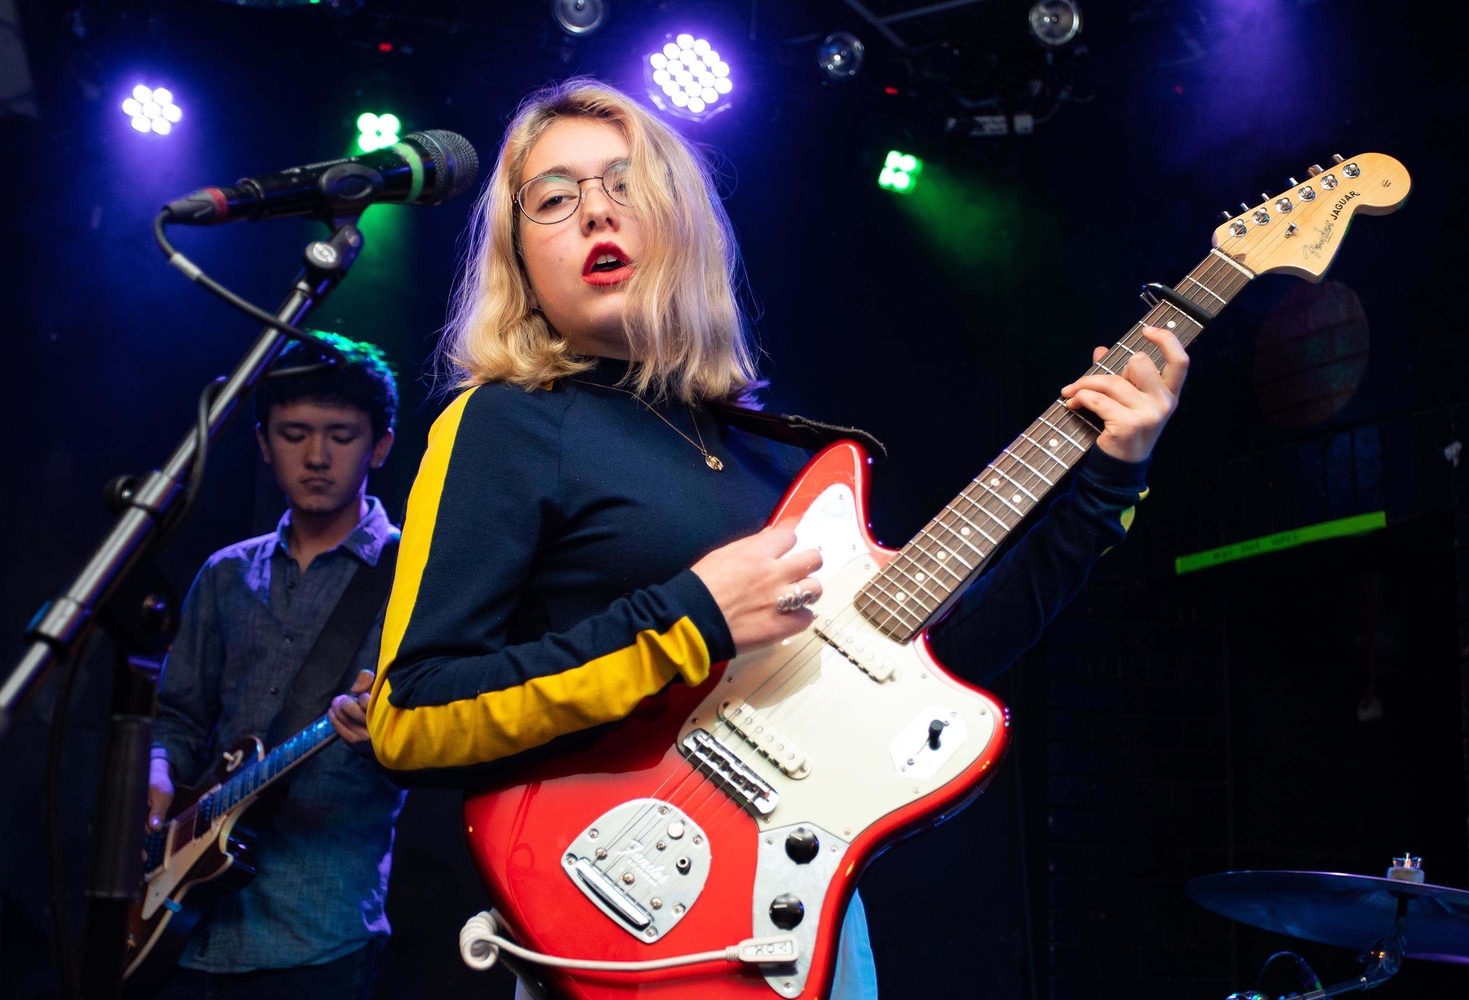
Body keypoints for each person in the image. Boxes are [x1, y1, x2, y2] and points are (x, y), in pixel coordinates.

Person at [367, 79, 1187, 998]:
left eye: (625, 184)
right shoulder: (509, 424)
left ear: (683, 222)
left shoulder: (770, 459)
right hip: (624, 904)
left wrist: (1108, 481)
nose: (596, 209)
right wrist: (693, 616)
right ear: (521, 261)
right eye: (554, 198)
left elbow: (934, 673)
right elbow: (413, 715)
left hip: (806, 926)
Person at [146, 334, 406, 999]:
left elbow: (456, 734)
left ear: (380, 444)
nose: (316, 456)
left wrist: (397, 733)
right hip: (185, 925)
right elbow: (176, 716)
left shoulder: (414, 580)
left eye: (341, 436)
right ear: (264, 443)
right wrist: (156, 776)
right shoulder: (225, 574)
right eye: (294, 434)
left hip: (319, 930)